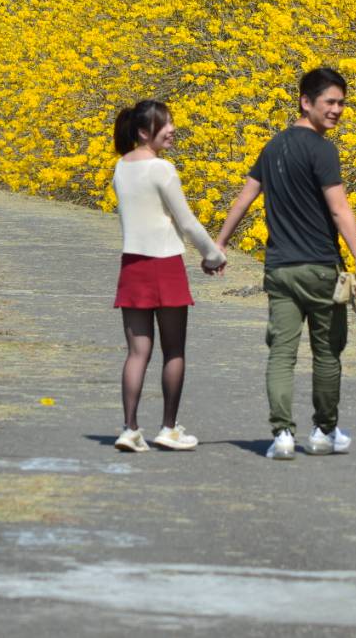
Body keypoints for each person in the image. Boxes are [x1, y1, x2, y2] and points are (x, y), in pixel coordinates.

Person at [213, 67, 356, 461]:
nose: (337, 110)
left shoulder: (273, 147)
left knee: (281, 353)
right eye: (330, 102)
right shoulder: (322, 149)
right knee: (326, 353)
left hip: (280, 270)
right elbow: (339, 210)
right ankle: (323, 431)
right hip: (320, 268)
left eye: (341, 103)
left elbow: (244, 198)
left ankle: (282, 435)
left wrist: (220, 243)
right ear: (306, 102)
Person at [110, 100, 226, 452]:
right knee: (173, 350)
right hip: (164, 263)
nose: (172, 129)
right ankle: (168, 428)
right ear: (145, 132)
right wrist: (213, 255)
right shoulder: (162, 169)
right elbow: (187, 221)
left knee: (136, 353)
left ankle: (129, 429)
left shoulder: (120, 167)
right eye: (165, 124)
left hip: (132, 264)